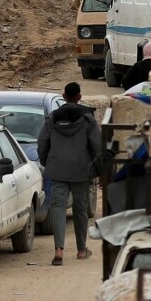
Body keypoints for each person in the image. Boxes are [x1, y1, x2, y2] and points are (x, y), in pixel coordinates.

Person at [38, 82, 103, 265]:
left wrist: (47, 163)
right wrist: (98, 169)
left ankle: (59, 250)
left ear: (64, 96)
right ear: (79, 97)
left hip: (58, 170)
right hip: (81, 171)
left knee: (58, 208)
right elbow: (97, 145)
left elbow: (42, 142)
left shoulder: (52, 118)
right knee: (80, 210)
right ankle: (82, 250)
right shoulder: (87, 118)